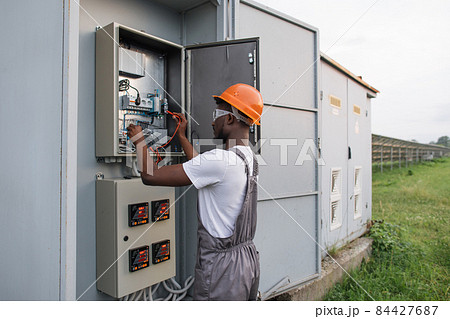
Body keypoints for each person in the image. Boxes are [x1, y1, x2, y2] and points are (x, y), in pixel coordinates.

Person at [127, 83, 263, 301]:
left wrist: (138, 140)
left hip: (221, 270)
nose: (212, 121)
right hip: (246, 262)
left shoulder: (220, 160)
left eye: (217, 114)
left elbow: (150, 176)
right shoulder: (248, 158)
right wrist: (181, 137)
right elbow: (202, 167)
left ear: (230, 119)